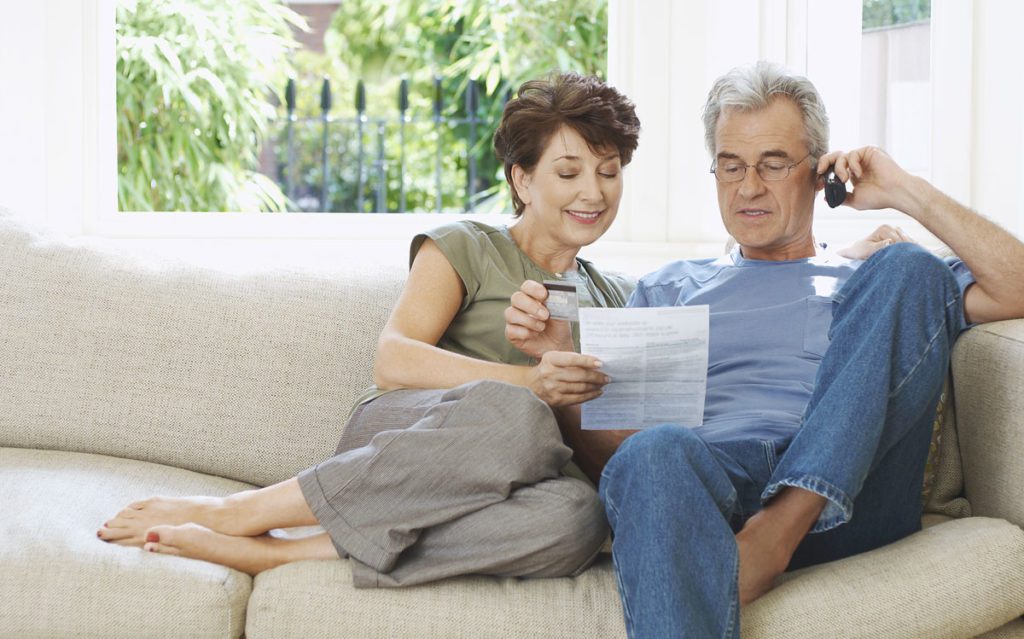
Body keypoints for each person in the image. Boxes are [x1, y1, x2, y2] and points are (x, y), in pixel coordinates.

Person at [505, 60, 1024, 638]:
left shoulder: (867, 276)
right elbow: (622, 461)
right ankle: (756, 540)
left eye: (773, 164)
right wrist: (558, 369)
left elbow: (1018, 285)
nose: (748, 187)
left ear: (817, 172)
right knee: (658, 450)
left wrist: (905, 192)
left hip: (856, 496)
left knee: (908, 265)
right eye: (731, 166)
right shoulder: (668, 287)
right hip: (716, 493)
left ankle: (781, 528)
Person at [96, 72, 640, 587]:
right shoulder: (466, 247)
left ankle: (283, 552)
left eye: (608, 171)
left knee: (579, 519)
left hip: (521, 485)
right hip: (405, 441)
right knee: (519, 414)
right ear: (523, 179)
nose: (593, 192)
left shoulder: (617, 300)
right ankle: (238, 512)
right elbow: (395, 360)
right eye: (569, 172)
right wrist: (532, 387)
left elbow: (612, 464)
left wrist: (566, 398)